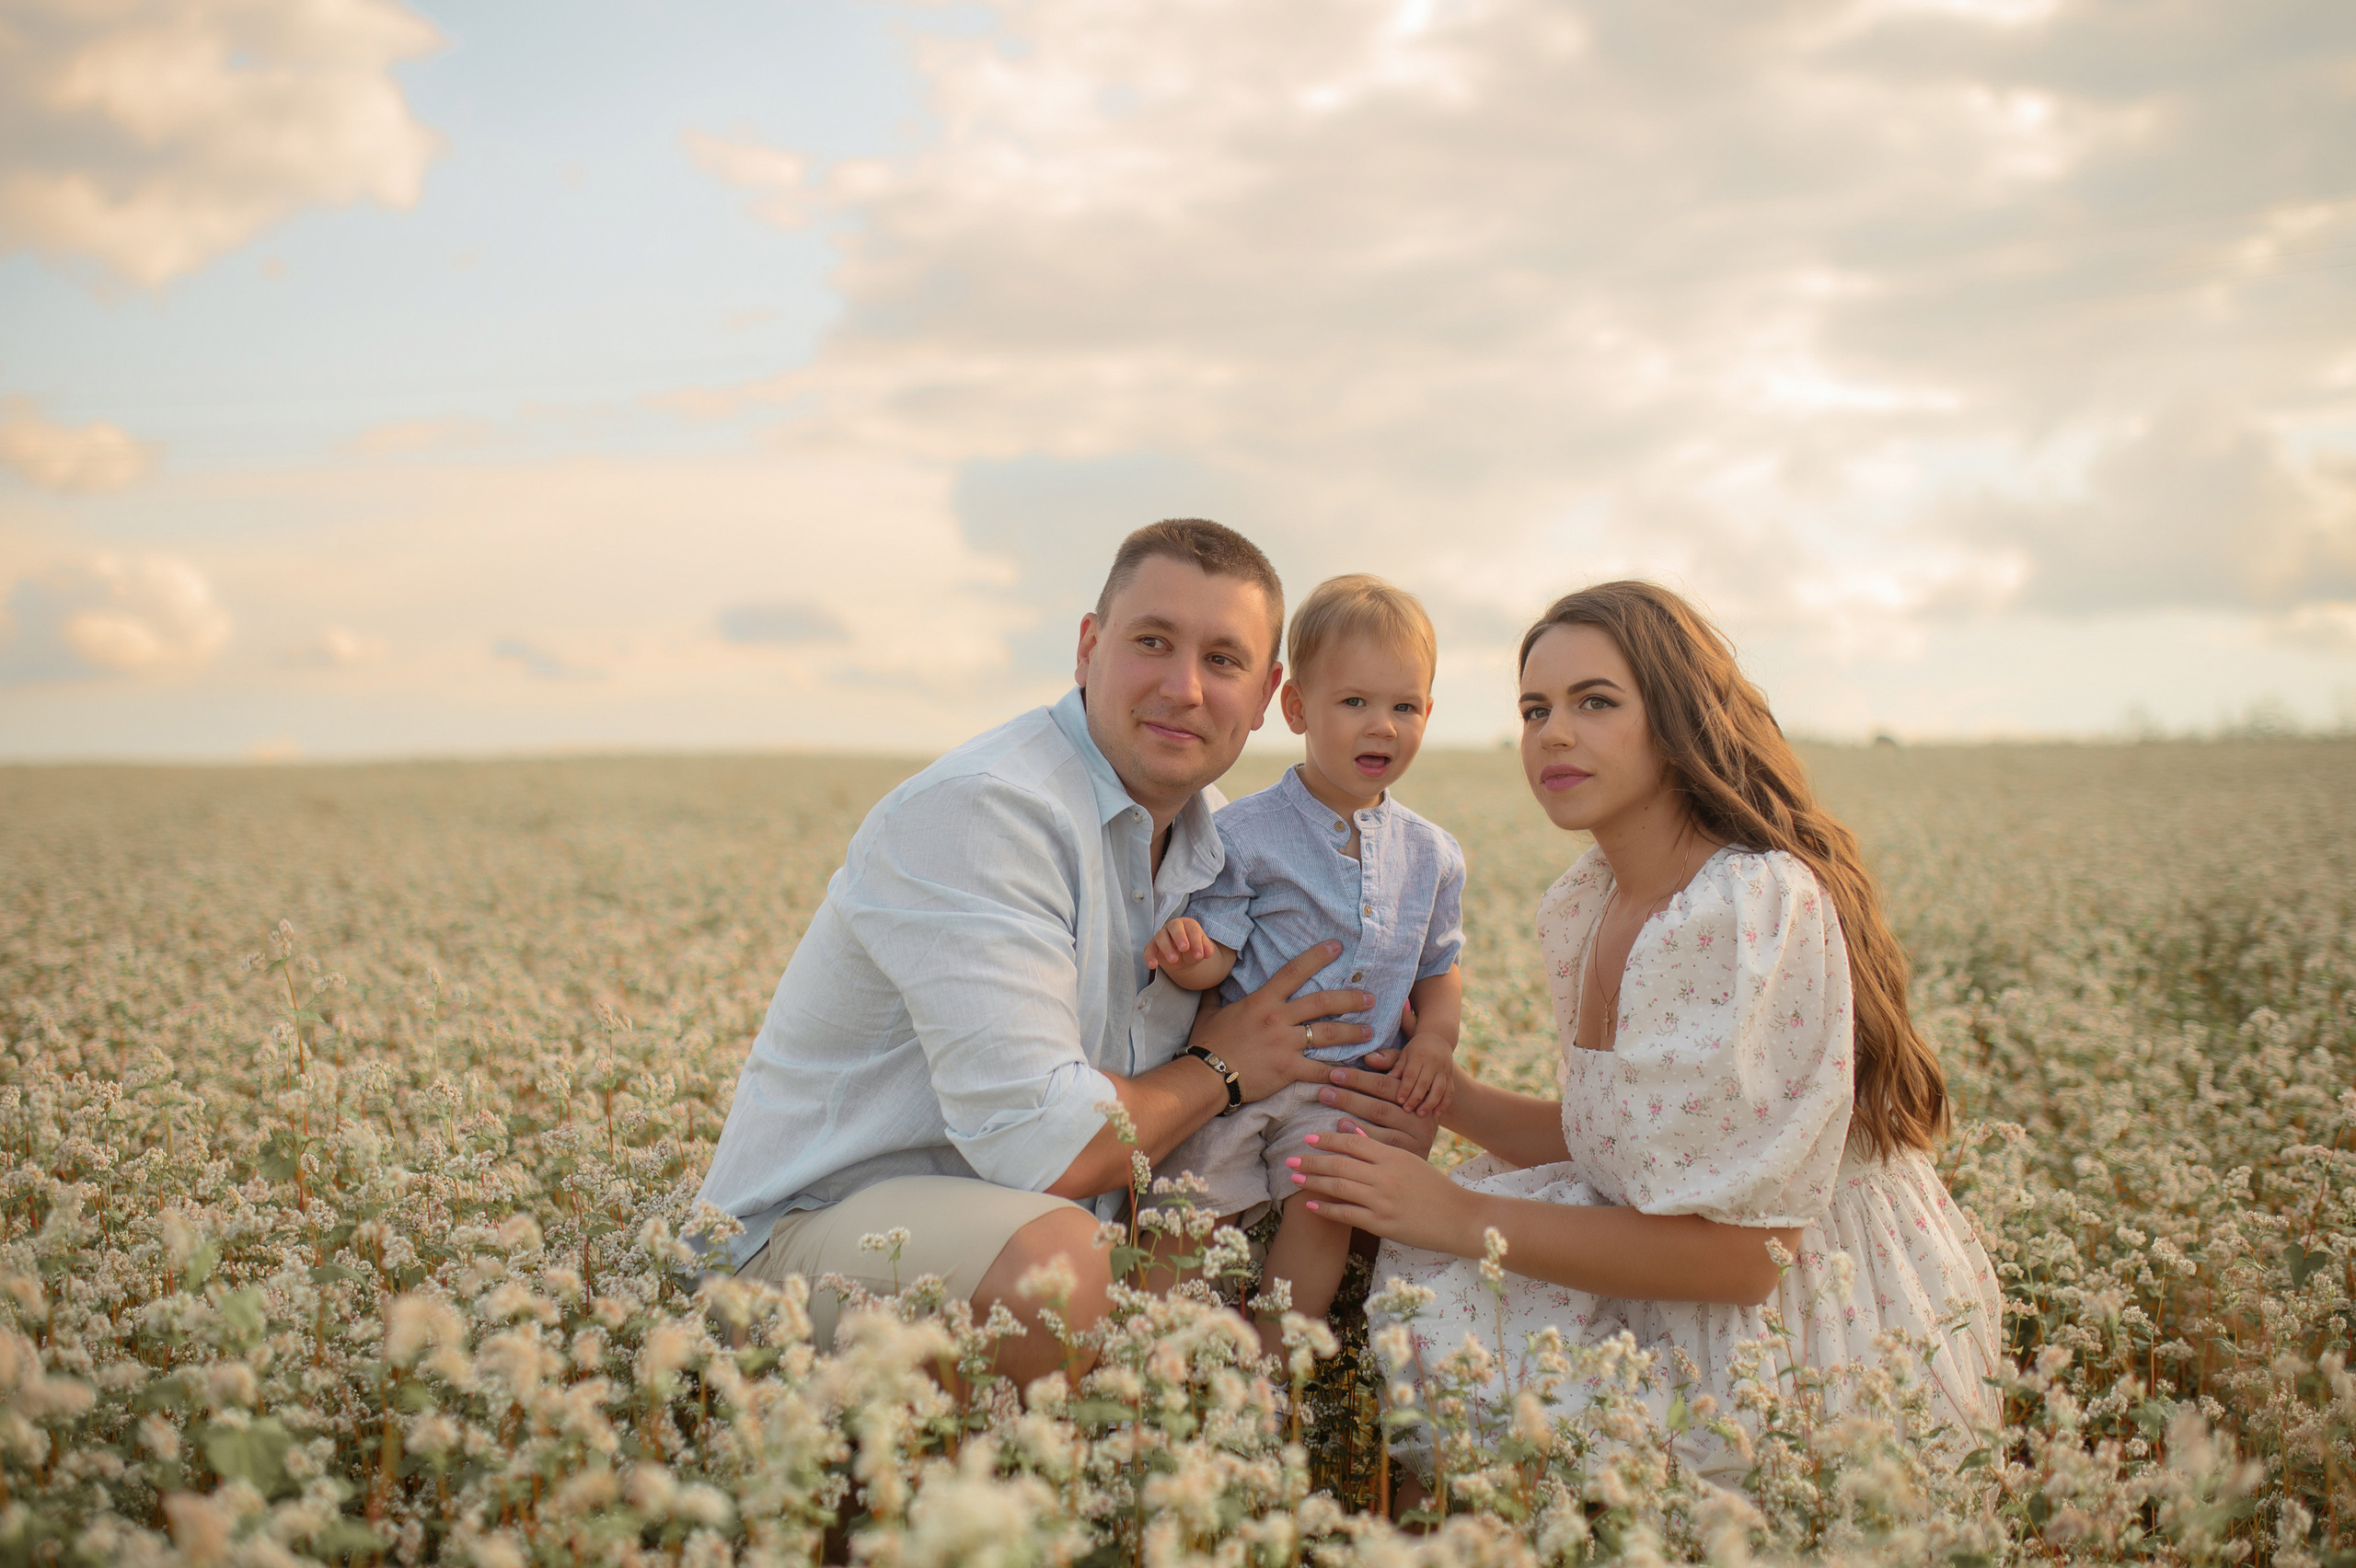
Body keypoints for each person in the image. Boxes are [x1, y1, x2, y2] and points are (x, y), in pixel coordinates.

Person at [1286, 580, 2004, 1482]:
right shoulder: (1594, 897)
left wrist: (1456, 1211)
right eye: (1533, 708)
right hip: (1690, 1266)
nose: (1552, 732)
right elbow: (1645, 1145)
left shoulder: (1742, 906)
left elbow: (1748, 1260)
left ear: (1673, 722)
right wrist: (1451, 1102)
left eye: (1594, 703)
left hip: (1800, 1321)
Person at [693, 520, 1402, 1385]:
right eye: (1152, 643)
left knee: (1363, 1210)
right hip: (807, 1237)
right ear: (1088, 648)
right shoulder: (987, 809)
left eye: (1223, 660)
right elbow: (1050, 1147)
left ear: (1265, 699)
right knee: (1063, 1276)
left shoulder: (1226, 844)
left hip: (1045, 1227)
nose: (1183, 688)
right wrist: (1224, 1068)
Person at [1141, 574, 1465, 1338]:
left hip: (1342, 1096)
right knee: (1183, 1206)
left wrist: (1436, 1042)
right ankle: (1141, 1349)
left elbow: (1439, 970)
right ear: (1296, 709)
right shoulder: (1248, 834)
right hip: (1244, 1080)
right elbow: (1216, 959)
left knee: (1328, 1202)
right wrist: (1188, 952)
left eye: (1404, 706)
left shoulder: (1434, 855)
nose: (1380, 727)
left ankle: (1276, 1357)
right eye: (1354, 703)